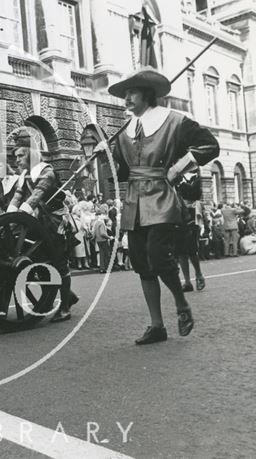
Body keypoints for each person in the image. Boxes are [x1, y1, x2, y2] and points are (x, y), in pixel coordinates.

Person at [98, 67, 219, 345]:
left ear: (147, 94)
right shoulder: (125, 131)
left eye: (132, 93)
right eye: (125, 94)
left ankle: (181, 304)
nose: (126, 98)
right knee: (142, 264)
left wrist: (177, 167)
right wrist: (105, 157)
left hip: (161, 198)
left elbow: (209, 146)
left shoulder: (175, 121)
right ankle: (157, 326)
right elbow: (123, 174)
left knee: (158, 255)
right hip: (133, 203)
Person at [7, 146, 79, 322]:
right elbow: (18, 196)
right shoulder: (24, 176)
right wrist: (9, 215)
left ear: (31, 155)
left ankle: (64, 307)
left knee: (59, 263)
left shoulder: (47, 172)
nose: (16, 159)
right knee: (42, 260)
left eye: (20, 155)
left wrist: (23, 211)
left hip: (54, 222)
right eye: (15, 156)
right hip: (38, 222)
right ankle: (66, 295)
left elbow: (37, 194)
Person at [175, 172, 206, 292]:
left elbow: (195, 193)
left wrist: (181, 183)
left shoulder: (196, 178)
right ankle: (187, 282)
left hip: (192, 215)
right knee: (181, 251)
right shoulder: (177, 176)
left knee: (191, 249)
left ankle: (199, 275)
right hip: (179, 214)